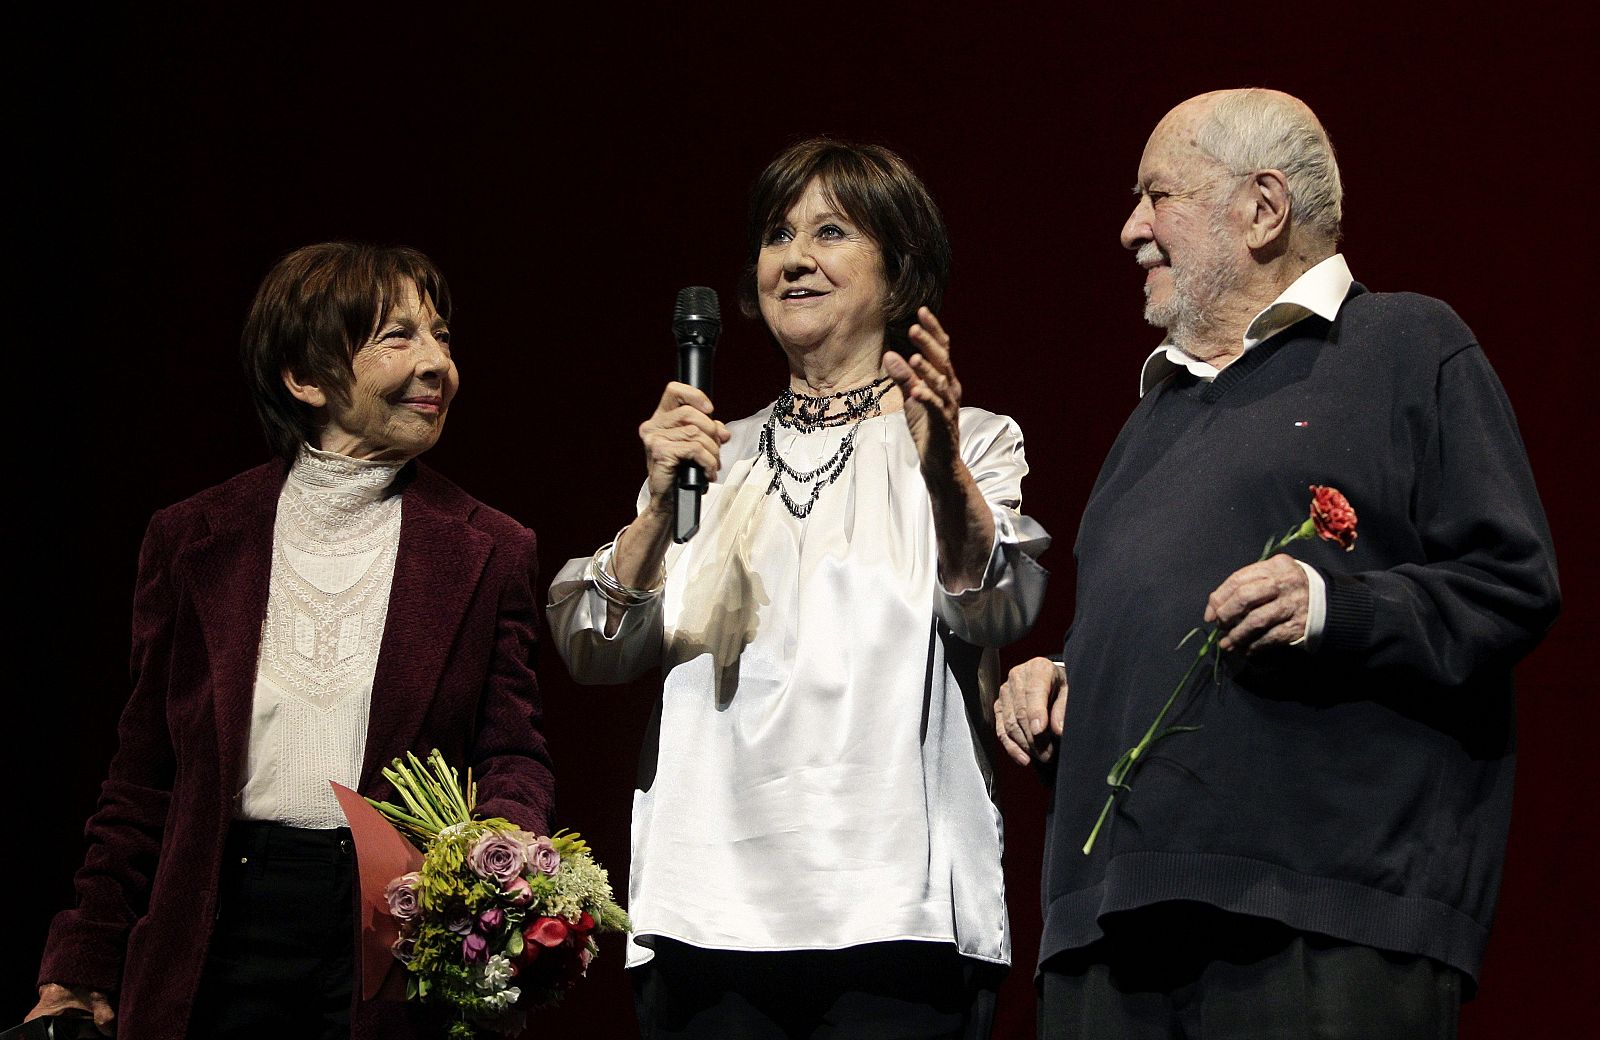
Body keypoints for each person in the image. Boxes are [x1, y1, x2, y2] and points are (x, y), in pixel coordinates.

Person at [996, 88, 1561, 1038]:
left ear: (1262, 209)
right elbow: (1141, 630)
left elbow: (1511, 585)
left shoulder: (1407, 346)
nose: (1130, 228)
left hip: (1321, 921)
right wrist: (1064, 682)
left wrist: (1333, 607)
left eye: (1156, 196)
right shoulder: (1148, 421)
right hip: (1110, 929)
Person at [548, 138, 1048, 1039]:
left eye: (831, 232)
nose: (795, 257)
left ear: (898, 278)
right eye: (778, 234)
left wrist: (940, 477)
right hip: (708, 915)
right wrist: (657, 509)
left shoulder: (970, 440)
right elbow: (593, 645)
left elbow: (1001, 603)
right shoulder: (708, 455)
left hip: (899, 916)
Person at [28, 243, 555, 1040]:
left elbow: (514, 750)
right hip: (218, 924)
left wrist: (504, 856)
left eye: (442, 336)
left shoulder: (492, 548)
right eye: (398, 337)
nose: (438, 364)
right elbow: (143, 777)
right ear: (304, 379)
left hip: (393, 939)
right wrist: (81, 963)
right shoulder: (194, 540)